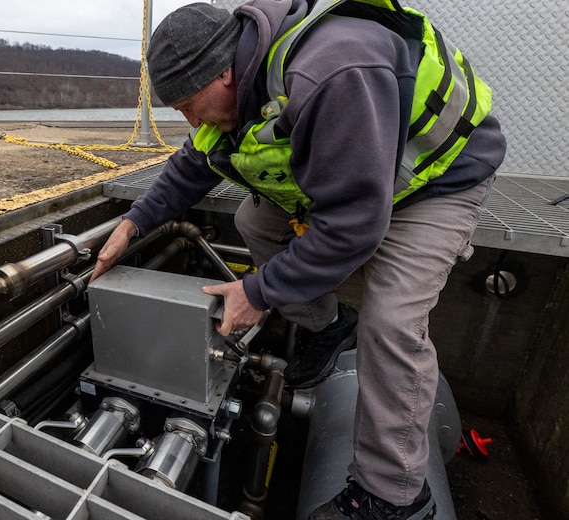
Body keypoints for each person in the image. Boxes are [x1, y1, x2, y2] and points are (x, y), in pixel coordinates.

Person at [91, 1, 506, 518]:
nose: (190, 120)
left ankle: (393, 495)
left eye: (189, 105)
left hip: (436, 180)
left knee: (392, 322)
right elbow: (189, 167)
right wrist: (131, 225)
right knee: (253, 221)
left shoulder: (334, 71)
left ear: (223, 72)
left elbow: (354, 225)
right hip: (366, 175)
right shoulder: (236, 89)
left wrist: (257, 292)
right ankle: (327, 327)